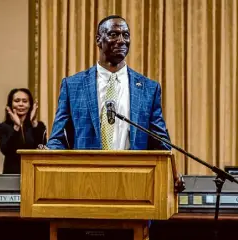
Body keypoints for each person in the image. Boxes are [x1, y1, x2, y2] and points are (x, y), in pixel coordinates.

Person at [46, 15, 171, 150]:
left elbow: (161, 142)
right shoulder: (72, 86)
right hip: (86, 169)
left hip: (133, 169)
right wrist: (49, 154)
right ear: (98, 39)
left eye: (126, 35)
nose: (121, 40)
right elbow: (57, 139)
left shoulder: (149, 89)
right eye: (114, 34)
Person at [0, 88, 47, 173]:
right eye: (17, 101)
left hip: (34, 173)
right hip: (12, 174)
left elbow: (41, 149)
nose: (21, 104)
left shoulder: (39, 126)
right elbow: (6, 151)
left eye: (24, 101)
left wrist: (34, 122)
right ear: (10, 104)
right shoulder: (2, 127)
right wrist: (16, 126)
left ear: (30, 105)